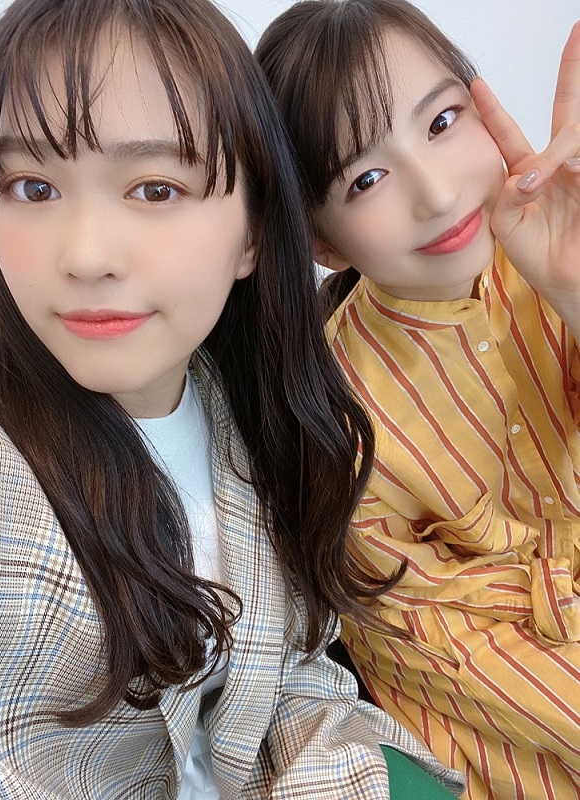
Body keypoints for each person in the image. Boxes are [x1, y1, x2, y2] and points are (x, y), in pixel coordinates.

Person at [0, 0, 470, 797]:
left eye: (155, 188)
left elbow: (287, 674)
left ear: (253, 232)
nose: (86, 255)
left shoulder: (250, 413)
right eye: (32, 187)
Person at [256, 1, 580, 798]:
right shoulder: (336, 417)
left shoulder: (559, 244)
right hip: (501, 696)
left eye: (441, 122)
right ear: (321, 239)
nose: (435, 195)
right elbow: (437, 645)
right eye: (365, 179)